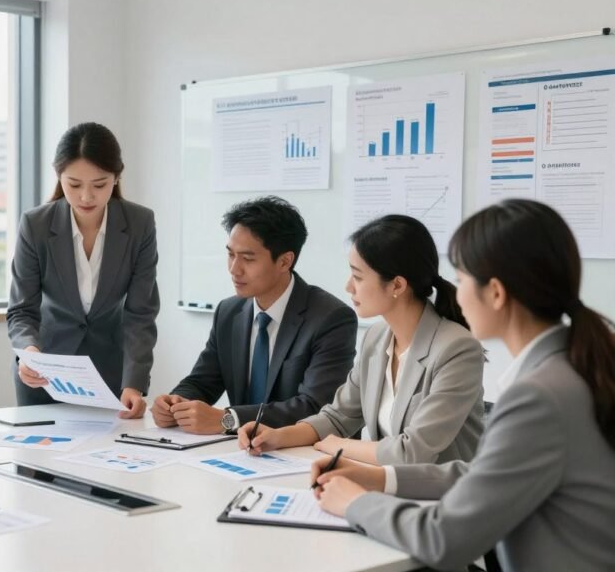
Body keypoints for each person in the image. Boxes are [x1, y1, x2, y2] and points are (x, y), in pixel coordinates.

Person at [312, 199, 615, 571]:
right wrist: (379, 478)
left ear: (497, 293)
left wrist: (353, 502)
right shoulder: (570, 368)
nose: (454, 291)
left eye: (462, 278)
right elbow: (482, 472)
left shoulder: (539, 395)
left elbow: (443, 539)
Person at [240, 215, 484, 464]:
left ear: (397, 285)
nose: (348, 287)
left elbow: (413, 452)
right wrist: (277, 437)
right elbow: (338, 417)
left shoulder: (457, 349)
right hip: (390, 485)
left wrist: (339, 446)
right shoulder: (376, 337)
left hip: (447, 496)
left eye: (357, 277)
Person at [152, 196, 357, 434]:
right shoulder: (228, 312)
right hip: (242, 453)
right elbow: (203, 381)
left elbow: (315, 407)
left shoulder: (331, 318)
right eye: (231, 254)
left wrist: (228, 419)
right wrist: (174, 403)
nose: (234, 269)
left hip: (302, 454)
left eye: (248, 259)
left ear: (284, 261)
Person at [7, 122, 159, 418]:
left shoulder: (140, 223)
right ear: (59, 176)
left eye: (99, 184)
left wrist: (135, 383)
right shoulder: (35, 225)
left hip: (111, 376)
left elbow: (140, 314)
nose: (86, 197)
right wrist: (30, 353)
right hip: (44, 375)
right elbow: (21, 310)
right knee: (39, 461)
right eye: (74, 184)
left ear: (116, 178)